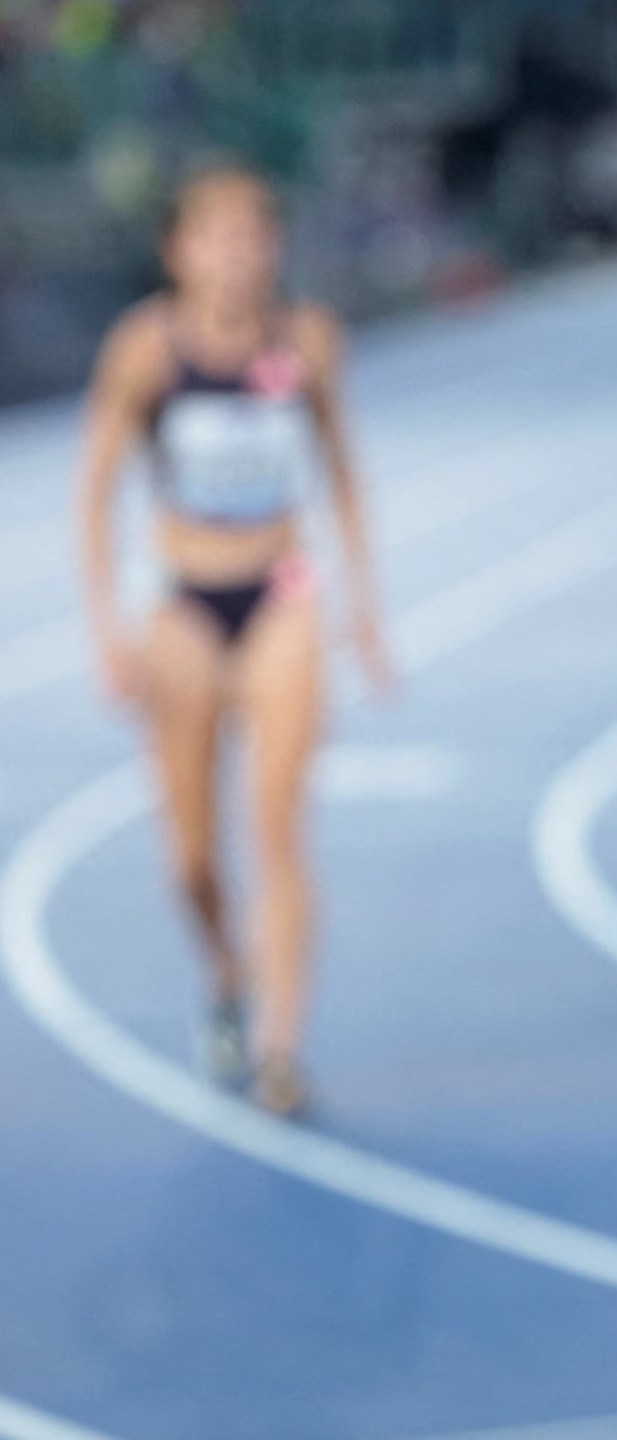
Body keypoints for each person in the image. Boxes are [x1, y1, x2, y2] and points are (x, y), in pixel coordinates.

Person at [76, 165, 391, 1117]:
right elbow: (94, 492)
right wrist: (107, 628)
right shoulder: (144, 348)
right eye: (215, 235)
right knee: (192, 860)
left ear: (275, 247)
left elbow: (342, 469)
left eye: (253, 234)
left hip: (281, 597)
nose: (236, 253)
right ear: (176, 251)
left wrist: (364, 607)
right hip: (181, 604)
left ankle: (280, 1050)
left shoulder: (309, 339)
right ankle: (225, 971)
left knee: (278, 829)